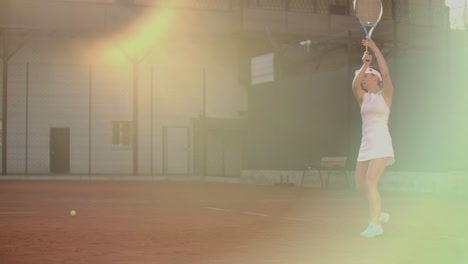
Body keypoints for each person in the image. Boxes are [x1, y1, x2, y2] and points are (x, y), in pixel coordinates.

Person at [352, 38, 395, 238]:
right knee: (360, 186)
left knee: (371, 183)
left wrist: (375, 48)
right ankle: (380, 213)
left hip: (381, 143)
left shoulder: (385, 95)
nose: (364, 78)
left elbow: (386, 73)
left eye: (368, 76)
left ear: (376, 79)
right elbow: (354, 84)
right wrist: (365, 64)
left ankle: (375, 224)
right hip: (366, 144)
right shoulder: (363, 97)